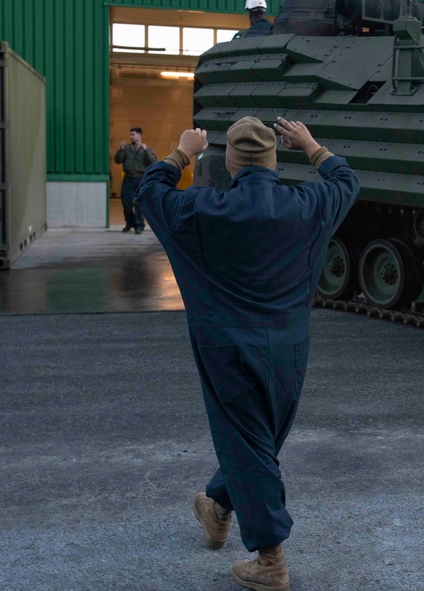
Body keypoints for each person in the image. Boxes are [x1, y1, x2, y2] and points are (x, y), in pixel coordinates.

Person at [135, 117, 359, 590]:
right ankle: (217, 508)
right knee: (259, 440)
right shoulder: (309, 205)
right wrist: (312, 145)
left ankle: (270, 560)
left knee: (247, 442)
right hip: (290, 346)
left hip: (227, 346)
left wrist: (182, 152)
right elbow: (346, 180)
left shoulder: (201, 210)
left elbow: (150, 192)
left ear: (230, 164)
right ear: (276, 161)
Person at [114, 127, 157, 234]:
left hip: (141, 178)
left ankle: (139, 225)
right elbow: (117, 160)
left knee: (140, 202)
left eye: (133, 134)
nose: (131, 137)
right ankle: (129, 222)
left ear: (139, 136)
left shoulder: (147, 148)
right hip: (128, 177)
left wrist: (146, 150)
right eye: (130, 135)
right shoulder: (126, 148)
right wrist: (120, 150)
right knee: (126, 202)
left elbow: (153, 161)